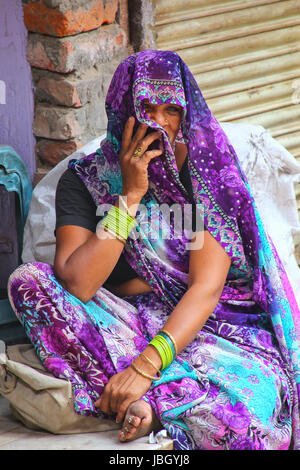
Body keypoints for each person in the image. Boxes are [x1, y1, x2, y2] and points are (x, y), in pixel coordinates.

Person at [8, 50, 300, 450]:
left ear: (186, 112)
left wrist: (145, 368)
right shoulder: (86, 181)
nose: (160, 123)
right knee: (29, 283)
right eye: (147, 108)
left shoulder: (208, 171)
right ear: (124, 108)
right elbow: (78, 284)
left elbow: (206, 288)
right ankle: (164, 399)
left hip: (221, 328)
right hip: (128, 323)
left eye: (172, 110)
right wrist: (130, 196)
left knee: (244, 425)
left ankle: (150, 402)